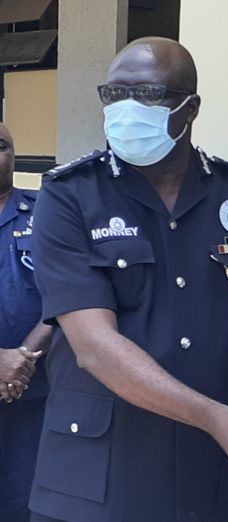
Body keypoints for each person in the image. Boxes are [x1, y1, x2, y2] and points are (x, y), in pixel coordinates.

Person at [29, 37, 228, 522]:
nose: (126, 108)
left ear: (189, 108)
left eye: (148, 95)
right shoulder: (70, 196)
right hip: (98, 477)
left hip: (209, 475)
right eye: (114, 94)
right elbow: (94, 346)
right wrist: (211, 416)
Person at [0, 121, 52, 522]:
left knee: (25, 503)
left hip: (32, 391)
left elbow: (73, 296)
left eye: (1, 145)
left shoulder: (47, 215)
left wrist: (21, 356)